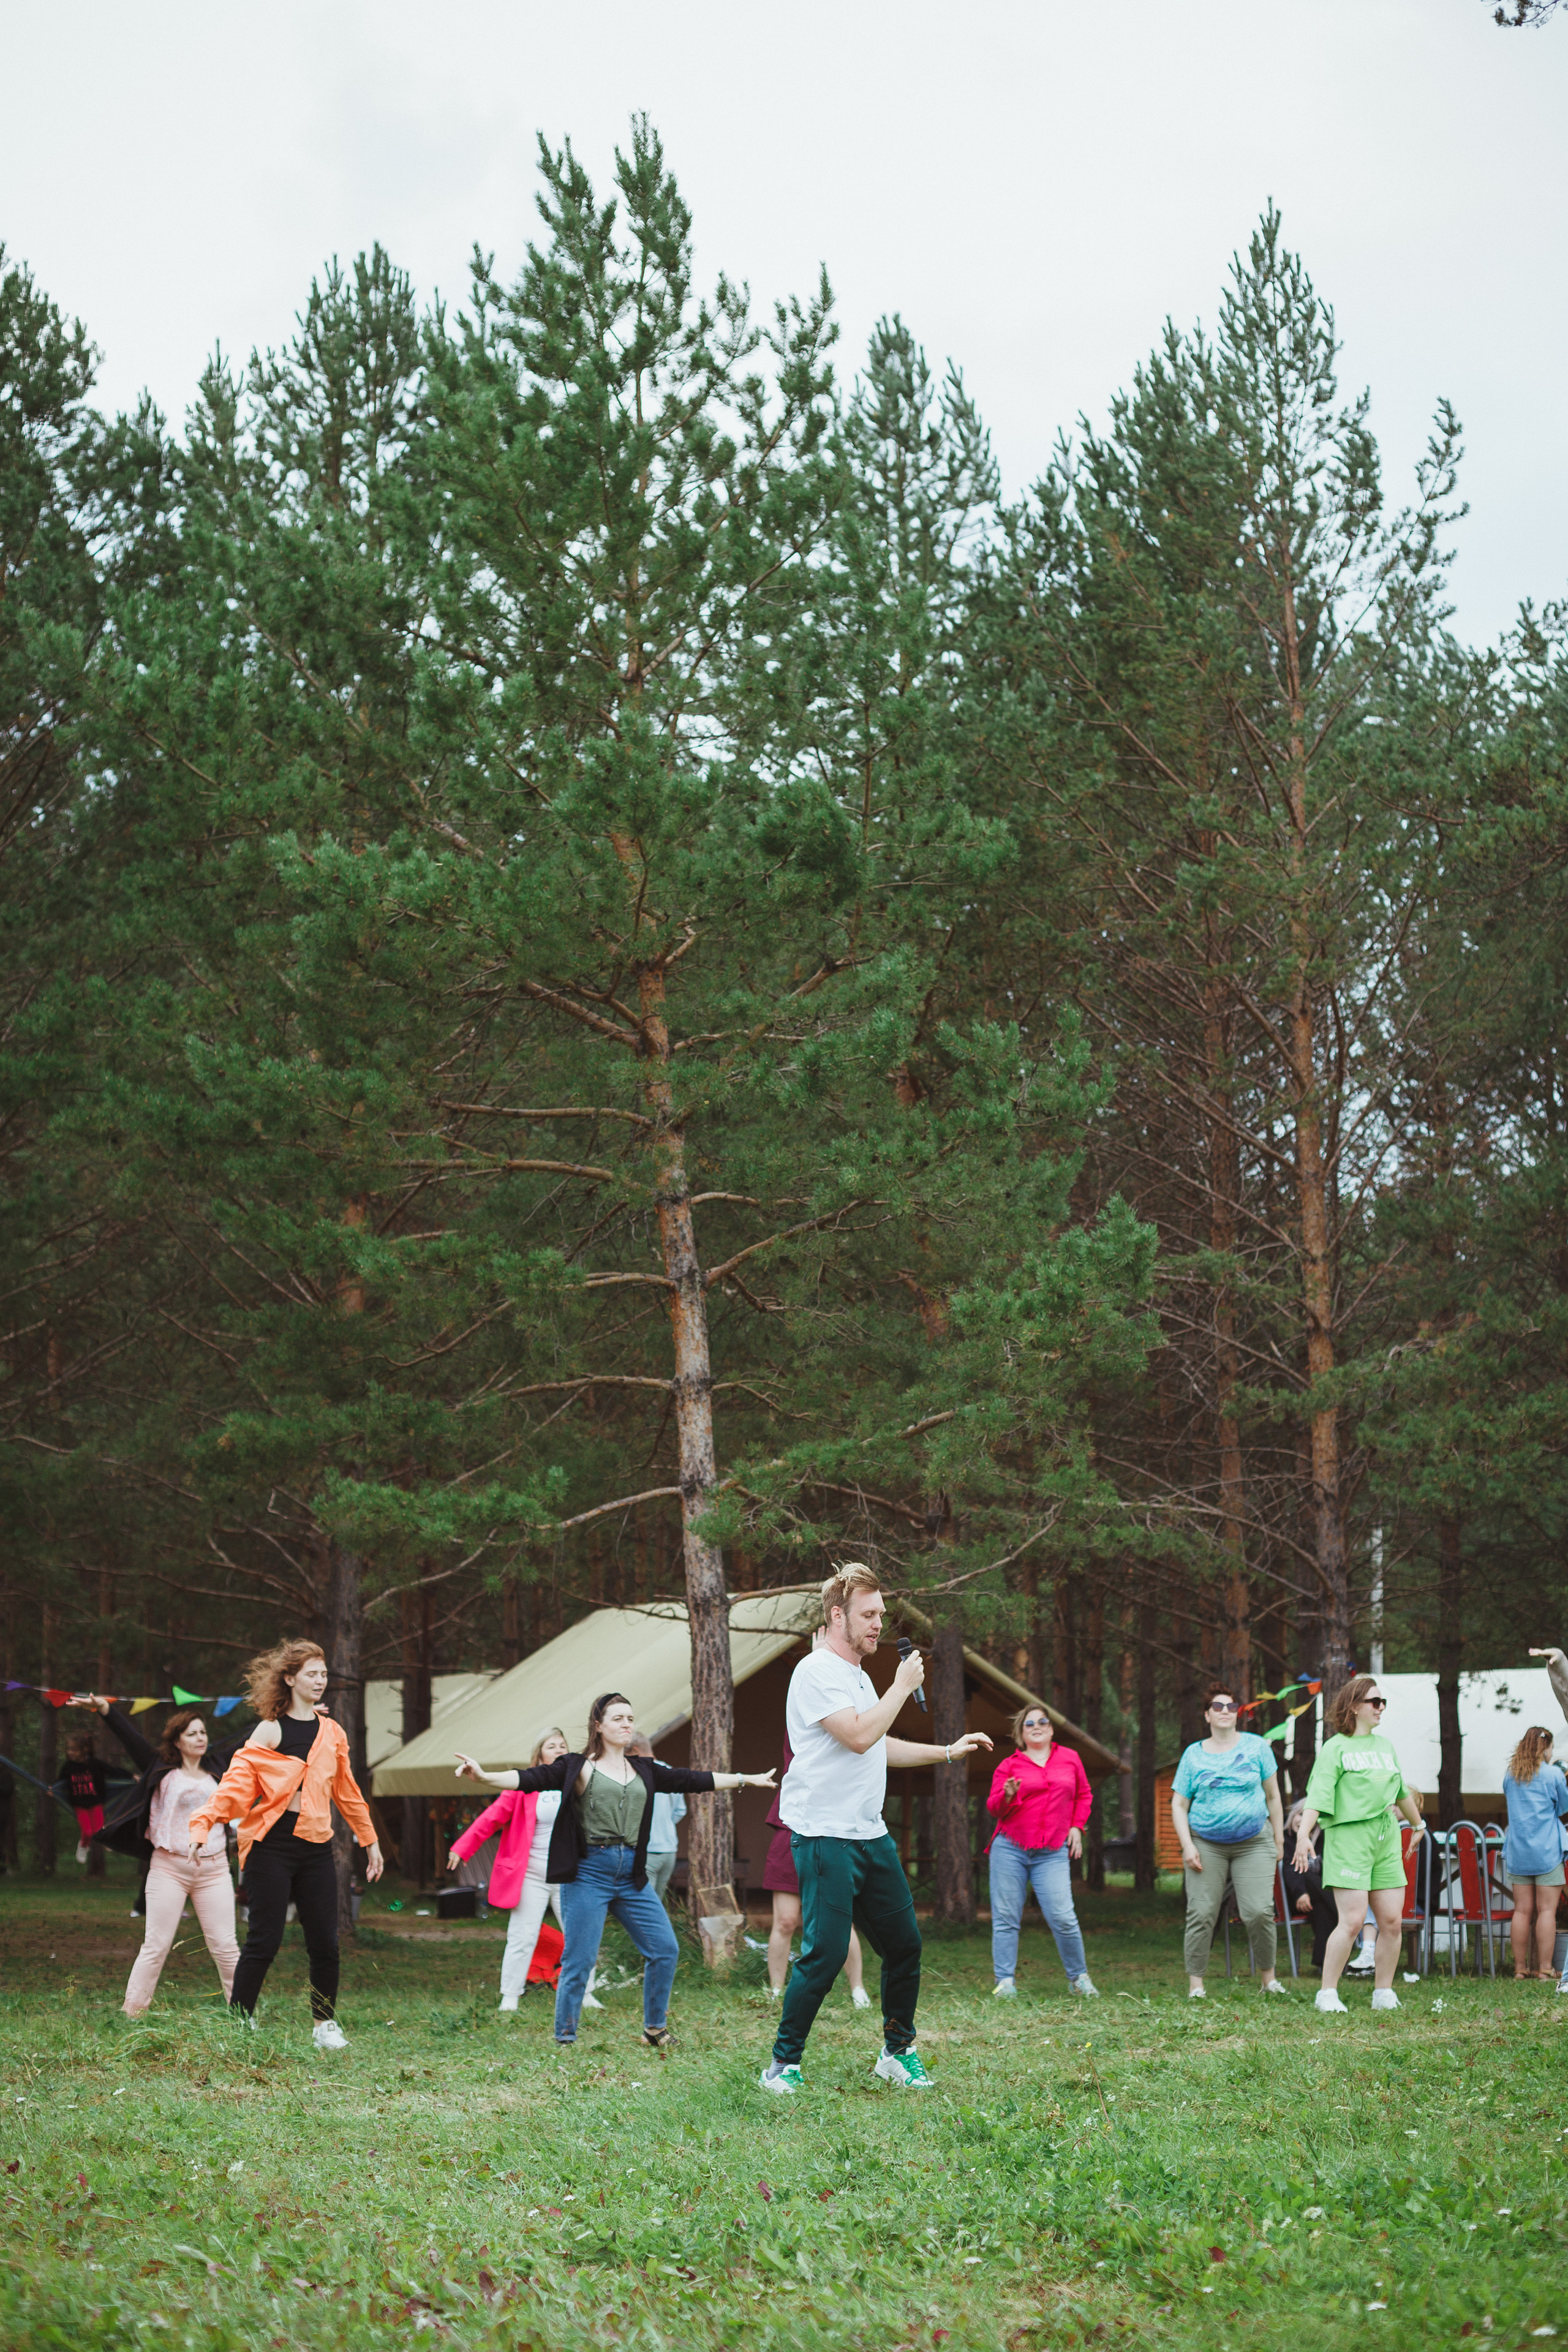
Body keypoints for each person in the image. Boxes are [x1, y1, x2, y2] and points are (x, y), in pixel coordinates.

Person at [758, 1562, 993, 2097]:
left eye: (882, 1615)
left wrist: (949, 1750)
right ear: (837, 1615)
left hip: (869, 1834)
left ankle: (896, 2051)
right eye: (868, 1615)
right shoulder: (815, 1672)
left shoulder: (860, 1678)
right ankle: (782, 2066)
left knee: (905, 1945)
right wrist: (901, 1685)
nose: (878, 1625)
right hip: (825, 1836)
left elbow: (878, 1743)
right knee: (823, 1952)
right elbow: (860, 1735)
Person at [455, 1695, 774, 2050]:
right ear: (599, 1725)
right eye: (618, 1718)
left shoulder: (644, 1769)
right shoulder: (578, 1766)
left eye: (630, 1718)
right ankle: (566, 2037)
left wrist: (746, 1778)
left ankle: (655, 2029)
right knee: (580, 1958)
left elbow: (693, 1779)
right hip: (589, 1872)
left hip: (630, 1875)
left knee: (664, 1949)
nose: (627, 1724)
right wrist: (483, 1776)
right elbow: (528, 1778)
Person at [186, 1639, 383, 2051]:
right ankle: (240, 2024)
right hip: (270, 1846)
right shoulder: (271, 1730)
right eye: (311, 1674)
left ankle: (324, 2026)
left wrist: (370, 1840)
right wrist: (203, 1823)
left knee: (325, 1942)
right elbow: (236, 1785)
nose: (319, 1681)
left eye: (324, 1674)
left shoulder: (333, 1733)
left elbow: (346, 1792)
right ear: (290, 1679)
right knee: (265, 1938)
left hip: (315, 1848)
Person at [72, 1694, 243, 2012]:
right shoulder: (160, 1767)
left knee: (225, 1947)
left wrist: (294, 1714)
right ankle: (132, 2014)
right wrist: (104, 1709)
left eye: (203, 1732)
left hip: (215, 1869)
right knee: (156, 1946)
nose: (200, 1738)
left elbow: (254, 1739)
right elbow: (130, 1737)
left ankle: (244, 2015)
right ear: (177, 1741)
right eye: (192, 1733)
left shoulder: (219, 1766)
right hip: (169, 1868)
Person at [1293, 1673, 1423, 2015]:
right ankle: (1328, 1993)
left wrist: (1419, 1824)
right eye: (1375, 1702)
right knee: (1351, 1921)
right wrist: (1304, 1834)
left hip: (1385, 1837)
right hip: (1349, 1838)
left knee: (1392, 1921)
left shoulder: (1385, 1746)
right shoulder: (1335, 1748)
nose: (1381, 1708)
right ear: (1354, 1707)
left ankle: (1383, 1992)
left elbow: (1400, 1791)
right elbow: (1317, 1797)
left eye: (1383, 1702)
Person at [1170, 1685, 1286, 1999]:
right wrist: (1187, 1845)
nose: (1225, 1711)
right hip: (1206, 1844)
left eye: (1231, 1706)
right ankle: (1197, 1986)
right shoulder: (1193, 1755)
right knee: (1202, 1912)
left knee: (1259, 1912)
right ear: (1207, 1714)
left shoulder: (1258, 1747)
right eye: (1217, 1707)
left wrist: (1279, 1837)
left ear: (1239, 1713)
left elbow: (1274, 1796)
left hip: (1255, 1841)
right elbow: (1178, 1805)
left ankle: (1269, 1981)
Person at [445, 1727, 569, 2011]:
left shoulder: (576, 1783)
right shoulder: (524, 1784)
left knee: (579, 1937)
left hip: (569, 1876)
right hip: (531, 1876)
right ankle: (510, 1996)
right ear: (539, 1754)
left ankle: (585, 1992)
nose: (560, 1750)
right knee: (522, 1936)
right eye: (552, 1746)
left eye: (563, 1745)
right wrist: (461, 1847)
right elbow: (492, 1818)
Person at [984, 1703, 1097, 1999]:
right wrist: (1007, 1796)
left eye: (1043, 1722)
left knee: (1063, 1916)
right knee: (1007, 1917)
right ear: (1021, 1733)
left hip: (1053, 1850)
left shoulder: (1070, 1759)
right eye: (1030, 1724)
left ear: (1051, 1728)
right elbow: (994, 1807)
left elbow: (1084, 1795)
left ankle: (1078, 1979)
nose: (1037, 1727)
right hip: (1010, 1848)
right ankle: (1005, 1982)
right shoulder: (1009, 1765)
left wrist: (1077, 1826)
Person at [763, 1730, 870, 2008]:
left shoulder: (850, 1729)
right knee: (786, 1921)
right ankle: (776, 1991)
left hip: (833, 1830)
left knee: (841, 1920)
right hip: (791, 1827)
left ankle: (858, 1989)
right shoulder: (804, 1720)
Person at [1502, 1725, 1568, 1981]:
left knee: (1522, 1911)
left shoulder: (1511, 1775)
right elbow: (1564, 1807)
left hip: (1519, 1852)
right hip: (1548, 1852)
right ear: (1546, 1747)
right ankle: (1545, 1969)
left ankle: (1520, 1969)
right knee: (1547, 1912)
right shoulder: (1553, 1775)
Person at [1281, 1799, 1338, 1970]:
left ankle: (1325, 1964)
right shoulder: (1285, 1839)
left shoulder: (1321, 1840)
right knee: (1303, 1871)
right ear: (1292, 1816)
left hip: (1315, 1898)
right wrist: (1300, 1892)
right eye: (1300, 1814)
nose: (1302, 1820)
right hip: (1290, 1897)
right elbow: (1288, 1869)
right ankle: (1341, 1908)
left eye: (1309, 1816)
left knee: (1322, 1908)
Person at [633, 1736, 686, 1907]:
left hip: (648, 1850)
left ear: (634, 1751)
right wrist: (666, 1825)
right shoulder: (670, 1771)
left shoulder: (638, 1775)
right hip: (670, 1849)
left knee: (644, 1907)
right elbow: (681, 1810)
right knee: (657, 1904)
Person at [62, 1730, 110, 1865]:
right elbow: (60, 1782)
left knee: (99, 1830)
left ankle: (108, 1842)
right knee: (88, 1832)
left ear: (85, 1750)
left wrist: (130, 1776)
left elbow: (111, 1770)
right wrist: (52, 1790)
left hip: (95, 1802)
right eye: (69, 1750)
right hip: (80, 1804)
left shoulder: (94, 1764)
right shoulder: (68, 1767)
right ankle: (83, 1846)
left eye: (74, 1750)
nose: (70, 1753)